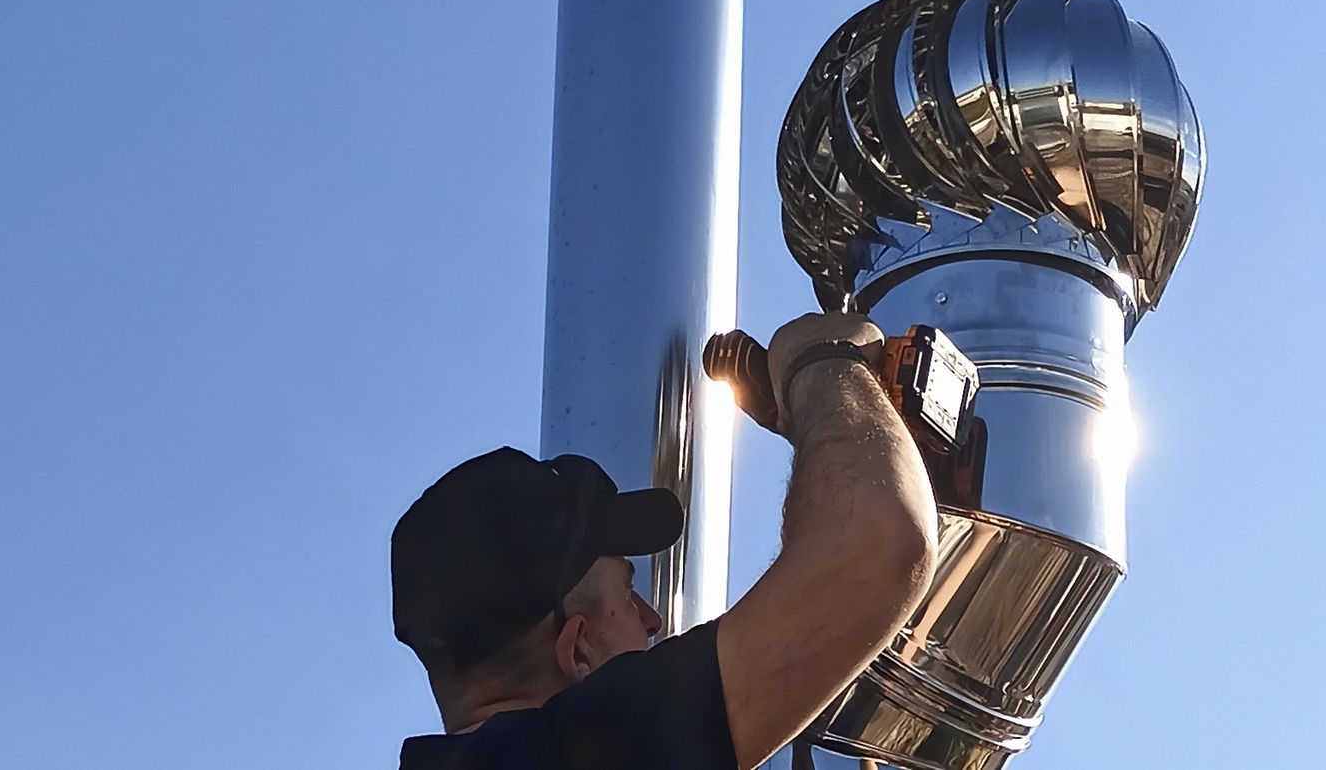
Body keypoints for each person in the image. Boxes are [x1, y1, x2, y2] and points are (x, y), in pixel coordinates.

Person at [391, 312, 938, 769]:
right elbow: (878, 545)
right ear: (576, 651)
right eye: (628, 595)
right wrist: (823, 362)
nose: (652, 620)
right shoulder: (575, 755)